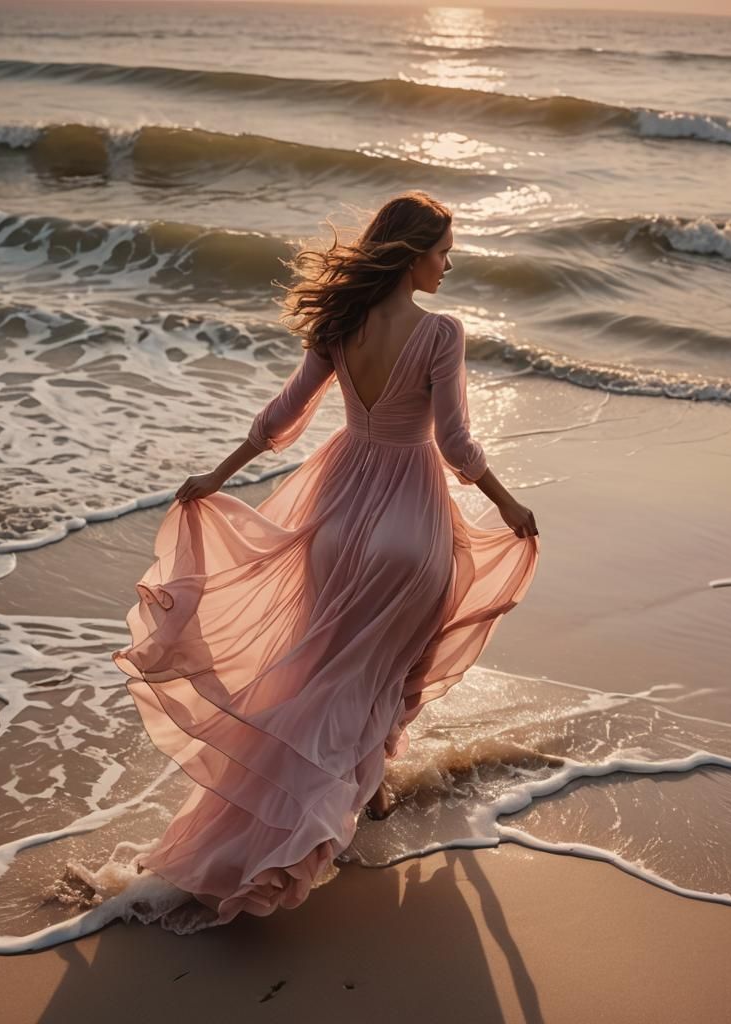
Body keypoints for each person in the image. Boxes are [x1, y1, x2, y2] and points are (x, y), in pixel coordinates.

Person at [112, 190, 539, 933]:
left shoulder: (340, 324)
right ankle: (330, 812)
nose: (449, 262)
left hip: (335, 512)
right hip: (410, 521)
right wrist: (507, 505)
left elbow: (282, 418)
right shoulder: (441, 332)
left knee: (321, 669)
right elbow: (456, 446)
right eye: (443, 250)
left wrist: (218, 476)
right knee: (391, 667)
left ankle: (330, 803)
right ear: (413, 254)